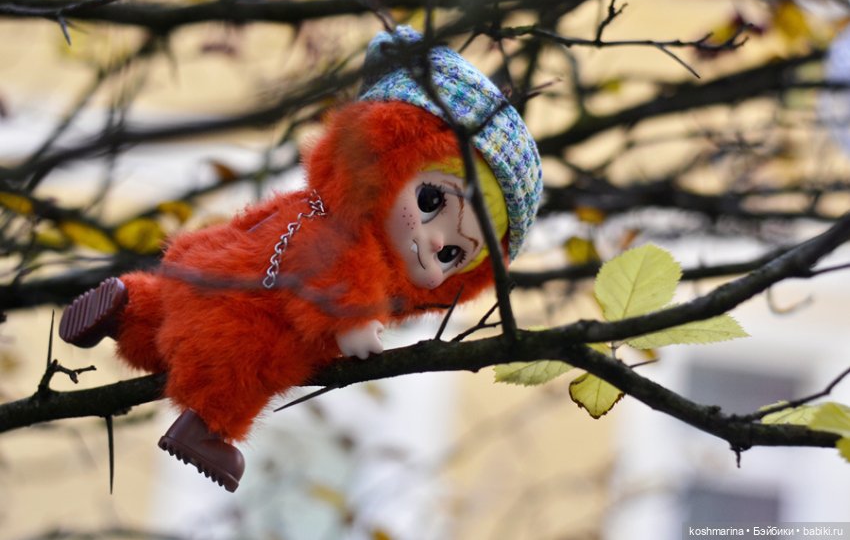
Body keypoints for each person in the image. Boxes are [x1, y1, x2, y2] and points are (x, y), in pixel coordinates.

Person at [58, 26, 542, 492]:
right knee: (249, 363)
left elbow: (248, 230)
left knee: (161, 326)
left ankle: (128, 306)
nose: (437, 243)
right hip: (243, 312)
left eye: (457, 254)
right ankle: (203, 430)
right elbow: (333, 271)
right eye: (433, 202)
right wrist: (352, 321)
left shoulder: (309, 207)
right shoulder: (346, 236)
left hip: (198, 274)